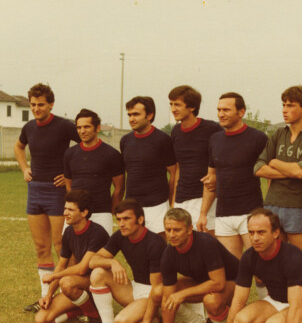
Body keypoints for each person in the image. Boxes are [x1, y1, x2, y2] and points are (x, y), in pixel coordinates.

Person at [14, 83, 81, 313]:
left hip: (57, 192)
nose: (36, 109)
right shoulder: (29, 127)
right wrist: (24, 168)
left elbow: (85, 146)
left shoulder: (64, 126)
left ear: (51, 104)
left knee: (61, 245)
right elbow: (18, 147)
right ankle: (45, 297)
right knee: (41, 247)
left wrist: (69, 173)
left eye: (40, 104)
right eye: (32, 104)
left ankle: (71, 295)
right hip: (35, 191)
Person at [146, 208, 239, 323]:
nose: (171, 235)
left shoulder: (206, 242)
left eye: (177, 230)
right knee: (162, 292)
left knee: (212, 300)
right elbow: (167, 299)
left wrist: (182, 294)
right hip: (205, 281)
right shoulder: (168, 254)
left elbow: (218, 283)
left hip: (233, 282)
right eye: (168, 230)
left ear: (190, 229)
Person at [254, 86, 302, 263]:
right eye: (284, 105)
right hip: (271, 205)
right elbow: (258, 169)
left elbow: (301, 172)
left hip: (298, 207)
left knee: (300, 265)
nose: (284, 110)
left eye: (290, 105)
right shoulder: (279, 133)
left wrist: (275, 162)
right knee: (274, 264)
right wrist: (291, 171)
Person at [83, 199, 166, 323]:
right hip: (135, 288)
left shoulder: (155, 243)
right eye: (119, 219)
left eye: (126, 219)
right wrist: (112, 262)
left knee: (122, 322)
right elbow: (92, 261)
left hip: (154, 293)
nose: (121, 224)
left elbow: (157, 288)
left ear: (140, 219)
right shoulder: (120, 236)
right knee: (98, 273)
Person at [197, 92, 267, 259]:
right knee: (232, 270)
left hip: (250, 213)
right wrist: (203, 213)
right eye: (219, 110)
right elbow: (210, 179)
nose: (221, 114)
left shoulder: (258, 138)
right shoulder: (215, 139)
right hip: (223, 215)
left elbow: (269, 175)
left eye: (226, 110)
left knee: (260, 269)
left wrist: (268, 209)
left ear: (241, 112)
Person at [35, 189, 109, 323]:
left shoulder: (97, 233)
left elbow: (82, 268)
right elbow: (62, 265)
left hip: (97, 284)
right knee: (42, 320)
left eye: (70, 210)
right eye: (64, 208)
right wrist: (49, 295)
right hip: (79, 286)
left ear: (84, 212)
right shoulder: (69, 232)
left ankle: (94, 318)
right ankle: (83, 309)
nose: (64, 213)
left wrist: (53, 276)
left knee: (66, 282)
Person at [120, 96, 177, 234]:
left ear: (149, 115)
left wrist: (171, 202)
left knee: (158, 247)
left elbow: (174, 173)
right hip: (132, 205)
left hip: (157, 205)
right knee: (134, 248)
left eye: (136, 114)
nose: (131, 119)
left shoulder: (162, 139)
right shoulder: (125, 140)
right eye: (129, 115)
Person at [169, 85, 222, 233]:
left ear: (191, 106)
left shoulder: (212, 129)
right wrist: (174, 202)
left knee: (206, 246)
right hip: (181, 198)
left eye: (177, 104)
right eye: (171, 104)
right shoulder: (175, 132)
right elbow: (179, 167)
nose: (173, 108)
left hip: (204, 199)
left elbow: (221, 163)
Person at [64, 109, 125, 235]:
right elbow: (69, 184)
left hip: (101, 213)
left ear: (97, 128)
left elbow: (119, 188)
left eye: (86, 127)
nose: (82, 131)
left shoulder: (112, 154)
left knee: (100, 253)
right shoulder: (70, 153)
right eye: (79, 127)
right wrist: (74, 207)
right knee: (71, 252)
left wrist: (109, 212)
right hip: (75, 213)